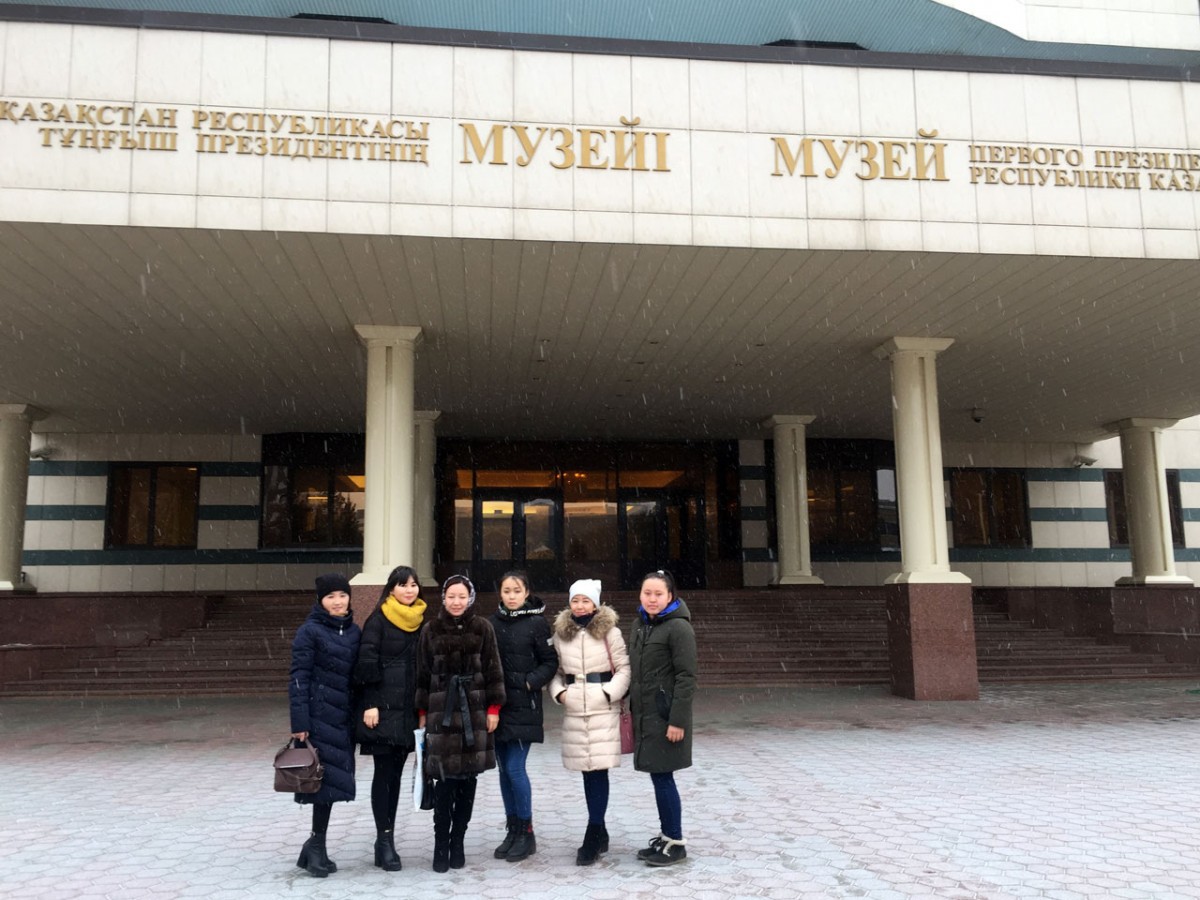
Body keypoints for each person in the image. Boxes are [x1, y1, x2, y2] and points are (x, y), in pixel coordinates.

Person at [414, 574, 506, 873]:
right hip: (441, 714)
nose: (456, 602)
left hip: (474, 713)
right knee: (444, 781)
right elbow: (422, 674)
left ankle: (458, 841)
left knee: (467, 780)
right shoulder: (430, 630)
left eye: (462, 596)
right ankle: (441, 843)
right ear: (443, 598)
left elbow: (493, 670)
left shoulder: (483, 628)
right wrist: (423, 713)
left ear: (471, 598)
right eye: (451, 596)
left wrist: (493, 709)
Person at [549, 578, 631, 866]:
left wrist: (608, 693)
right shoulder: (561, 634)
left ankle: (593, 833)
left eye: (586, 600)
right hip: (574, 708)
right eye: (575, 600)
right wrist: (560, 694)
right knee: (586, 771)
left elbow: (624, 669)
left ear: (595, 604)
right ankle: (601, 828)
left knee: (598, 771)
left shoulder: (611, 632)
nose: (580, 605)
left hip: (602, 708)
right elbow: (555, 671)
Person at [288, 573, 362, 878]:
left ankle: (315, 845)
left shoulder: (354, 631)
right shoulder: (310, 631)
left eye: (342, 595)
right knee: (319, 781)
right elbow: (298, 678)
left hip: (343, 718)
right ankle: (316, 846)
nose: (337, 601)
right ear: (320, 601)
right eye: (330, 596)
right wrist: (300, 721)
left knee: (329, 783)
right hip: (318, 719)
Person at [354, 565, 427, 872]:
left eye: (413, 585)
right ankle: (384, 840)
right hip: (382, 710)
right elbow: (366, 663)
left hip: (408, 710)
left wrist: (423, 710)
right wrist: (370, 703)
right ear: (391, 588)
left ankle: (387, 837)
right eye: (402, 585)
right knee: (384, 775)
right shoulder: (378, 619)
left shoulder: (422, 620)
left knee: (395, 775)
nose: (409, 590)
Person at [628, 569, 697, 867]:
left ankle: (675, 842)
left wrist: (677, 720)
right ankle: (666, 836)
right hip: (647, 716)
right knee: (658, 776)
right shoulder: (640, 625)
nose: (652, 599)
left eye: (658, 594)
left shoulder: (679, 628)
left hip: (666, 716)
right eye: (647, 593)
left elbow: (686, 677)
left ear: (670, 596)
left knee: (663, 777)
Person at [489, 570, 559, 862]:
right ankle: (513, 828)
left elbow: (550, 662)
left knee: (515, 768)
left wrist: (529, 682)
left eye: (517, 591)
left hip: (524, 708)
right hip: (498, 709)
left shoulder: (537, 623)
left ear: (527, 592)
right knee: (503, 771)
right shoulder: (492, 623)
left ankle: (527, 832)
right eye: (507, 591)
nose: (512, 596)